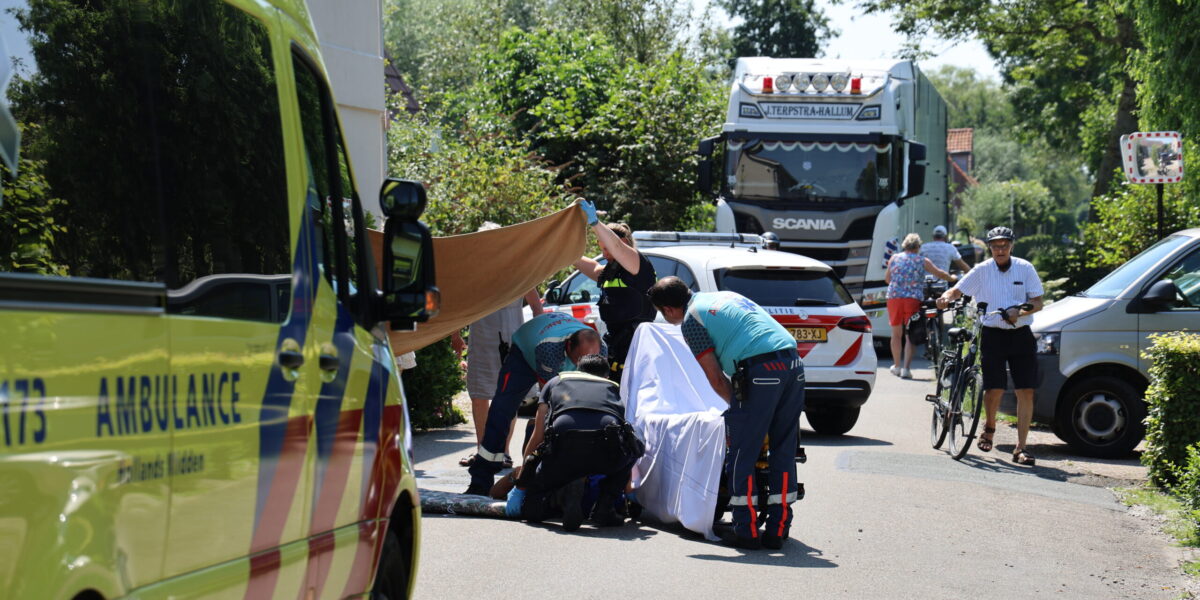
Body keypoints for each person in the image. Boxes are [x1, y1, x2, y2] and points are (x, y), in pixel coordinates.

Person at [647, 276, 803, 550]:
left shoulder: (692, 322)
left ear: (668, 310)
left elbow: (716, 379)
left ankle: (748, 531)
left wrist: (743, 412)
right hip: (793, 363)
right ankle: (778, 529)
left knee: (742, 451)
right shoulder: (720, 296)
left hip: (761, 369)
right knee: (783, 450)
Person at [936, 226, 1043, 465]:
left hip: (1020, 334)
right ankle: (989, 428)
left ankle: (1021, 448)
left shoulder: (1025, 268)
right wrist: (946, 298)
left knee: (1025, 390)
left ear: (1012, 245)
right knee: (994, 388)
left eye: (1004, 245)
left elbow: (1038, 302)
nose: (1000, 250)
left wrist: (1020, 310)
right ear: (990, 248)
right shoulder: (982, 270)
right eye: (996, 246)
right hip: (993, 334)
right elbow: (958, 289)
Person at [465, 312, 604, 495]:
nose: (578, 366)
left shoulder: (602, 351)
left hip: (550, 339)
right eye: (576, 360)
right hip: (525, 354)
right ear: (568, 346)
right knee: (502, 410)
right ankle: (480, 479)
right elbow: (550, 400)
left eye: (584, 361)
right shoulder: (549, 349)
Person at [506, 354, 644, 531]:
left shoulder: (555, 382)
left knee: (531, 511)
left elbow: (538, 435)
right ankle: (605, 507)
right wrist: (627, 490)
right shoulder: (613, 388)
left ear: (578, 371)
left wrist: (522, 485)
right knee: (634, 446)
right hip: (605, 453)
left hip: (563, 451)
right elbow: (626, 437)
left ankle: (552, 502)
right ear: (606, 376)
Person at [450, 286, 544, 469]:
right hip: (481, 339)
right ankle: (481, 452)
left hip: (513, 339)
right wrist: (456, 335)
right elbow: (460, 304)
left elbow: (536, 305)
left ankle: (504, 452)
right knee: (479, 395)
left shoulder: (522, 270)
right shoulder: (479, 272)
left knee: (510, 397)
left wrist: (537, 336)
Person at [572, 200, 657, 380]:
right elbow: (587, 264)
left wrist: (595, 223)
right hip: (617, 344)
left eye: (606, 248)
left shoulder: (637, 265)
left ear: (623, 242)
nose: (604, 254)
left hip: (637, 343)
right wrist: (562, 251)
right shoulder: (609, 271)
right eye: (601, 249)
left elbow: (617, 247)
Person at [885, 233, 952, 379]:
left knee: (896, 334)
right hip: (912, 298)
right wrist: (952, 278)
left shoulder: (894, 258)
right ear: (918, 247)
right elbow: (938, 273)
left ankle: (896, 366)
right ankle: (906, 369)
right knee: (910, 333)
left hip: (894, 298)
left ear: (904, 246)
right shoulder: (922, 260)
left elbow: (888, 279)